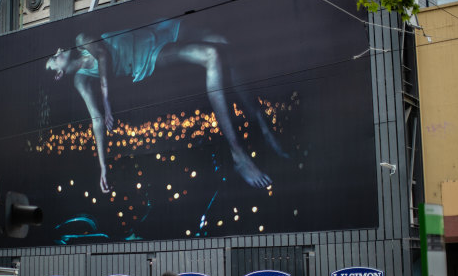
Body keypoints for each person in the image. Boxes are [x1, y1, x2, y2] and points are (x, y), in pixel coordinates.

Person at [46, 19, 287, 193]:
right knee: (212, 55)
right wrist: (102, 167)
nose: (57, 52)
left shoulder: (81, 42)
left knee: (225, 43)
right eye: (53, 58)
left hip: (159, 29)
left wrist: (108, 102)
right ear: (58, 74)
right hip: (150, 55)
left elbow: (102, 55)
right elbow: (96, 121)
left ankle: (261, 122)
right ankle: (238, 155)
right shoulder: (81, 80)